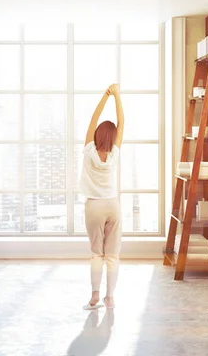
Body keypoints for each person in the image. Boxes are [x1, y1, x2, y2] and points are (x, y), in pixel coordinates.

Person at [79, 83, 124, 310]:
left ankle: (95, 296)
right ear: (114, 136)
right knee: (112, 255)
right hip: (113, 206)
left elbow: (93, 119)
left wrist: (105, 96)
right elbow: (121, 122)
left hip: (94, 206)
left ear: (97, 134)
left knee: (97, 254)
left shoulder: (88, 151)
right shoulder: (115, 153)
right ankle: (110, 298)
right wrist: (117, 96)